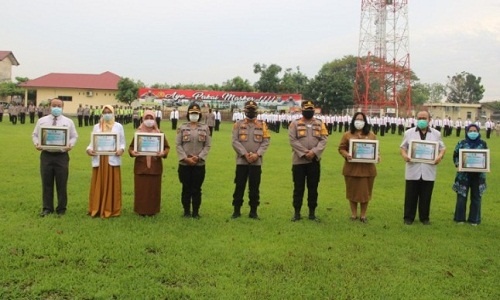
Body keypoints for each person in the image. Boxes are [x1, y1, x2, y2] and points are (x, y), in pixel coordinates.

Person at [32, 98, 78, 216]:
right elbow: (35, 134)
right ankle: (47, 208)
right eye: (54, 105)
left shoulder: (68, 122)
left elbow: (74, 136)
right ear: (50, 106)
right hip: (46, 155)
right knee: (46, 182)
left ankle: (61, 209)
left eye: (59, 105)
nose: (56, 107)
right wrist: (37, 143)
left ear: (62, 107)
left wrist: (70, 145)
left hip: (62, 156)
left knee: (62, 183)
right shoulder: (42, 121)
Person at [400, 110, 446, 225]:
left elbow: (442, 148)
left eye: (424, 118)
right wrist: (405, 156)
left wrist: (440, 156)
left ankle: (424, 218)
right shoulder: (409, 133)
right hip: (413, 167)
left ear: (429, 119)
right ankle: (408, 217)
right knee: (410, 194)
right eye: (419, 118)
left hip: (428, 168)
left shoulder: (436, 134)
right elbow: (403, 147)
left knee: (426, 195)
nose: (421, 120)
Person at [288, 100, 328, 221]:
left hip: (314, 161)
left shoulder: (320, 124)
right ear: (302, 110)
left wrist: (314, 152)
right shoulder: (294, 124)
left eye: (311, 110)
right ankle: (297, 213)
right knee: (298, 187)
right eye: (307, 110)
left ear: (313, 111)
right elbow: (292, 140)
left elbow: (324, 139)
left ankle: (312, 213)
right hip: (299, 161)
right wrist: (305, 153)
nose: (309, 112)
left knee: (313, 187)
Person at [231, 100, 270, 219]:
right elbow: (234, 141)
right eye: (249, 110)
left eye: (253, 110)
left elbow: (266, 141)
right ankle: (236, 210)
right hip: (242, 161)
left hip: (256, 162)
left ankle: (253, 211)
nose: (251, 112)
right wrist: (244, 154)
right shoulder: (238, 124)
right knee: (239, 186)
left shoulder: (262, 125)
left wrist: (257, 154)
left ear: (256, 111)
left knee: (254, 187)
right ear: (245, 111)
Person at [338, 112, 379, 223]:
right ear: (353, 121)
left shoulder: (371, 135)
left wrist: (377, 156)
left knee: (365, 193)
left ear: (365, 122)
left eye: (361, 119)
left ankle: (363, 215)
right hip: (351, 169)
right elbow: (341, 148)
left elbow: (375, 150)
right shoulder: (347, 134)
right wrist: (346, 154)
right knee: (352, 192)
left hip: (367, 170)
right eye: (357, 119)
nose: (359, 121)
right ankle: (354, 214)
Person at [86, 105, 126, 218]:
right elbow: (92, 143)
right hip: (100, 159)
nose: (107, 114)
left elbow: (122, 142)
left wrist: (121, 149)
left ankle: (111, 208)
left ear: (113, 113)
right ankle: (97, 207)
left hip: (112, 159)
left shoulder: (118, 126)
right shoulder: (97, 126)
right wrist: (89, 150)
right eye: (105, 112)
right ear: (102, 113)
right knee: (98, 183)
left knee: (113, 184)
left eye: (109, 112)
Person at [129, 110, 170, 216]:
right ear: (143, 119)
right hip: (141, 166)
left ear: (155, 120)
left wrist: (163, 153)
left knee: (154, 189)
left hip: (155, 166)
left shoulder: (159, 133)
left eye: (151, 118)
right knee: (141, 189)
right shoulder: (138, 133)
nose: (149, 121)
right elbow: (131, 148)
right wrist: (133, 152)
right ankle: (140, 210)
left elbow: (166, 147)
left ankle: (153, 210)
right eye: (146, 118)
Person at [176, 103, 211, 218]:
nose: (194, 115)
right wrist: (186, 158)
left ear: (200, 114)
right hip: (184, 164)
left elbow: (207, 146)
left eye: (196, 113)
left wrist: (199, 157)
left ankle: (195, 212)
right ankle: (186, 211)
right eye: (192, 113)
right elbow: (178, 145)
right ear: (188, 114)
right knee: (186, 188)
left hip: (199, 164)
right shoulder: (182, 127)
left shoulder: (205, 128)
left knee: (197, 189)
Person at [452, 124, 487, 225]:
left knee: (476, 197)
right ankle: (459, 218)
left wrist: (486, 164)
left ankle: (474, 219)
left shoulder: (483, 144)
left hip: (478, 176)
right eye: (470, 130)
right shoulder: (461, 143)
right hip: (463, 175)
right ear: (466, 131)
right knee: (461, 196)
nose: (473, 132)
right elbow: (455, 155)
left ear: (478, 131)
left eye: (475, 130)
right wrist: (458, 164)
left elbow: (486, 157)